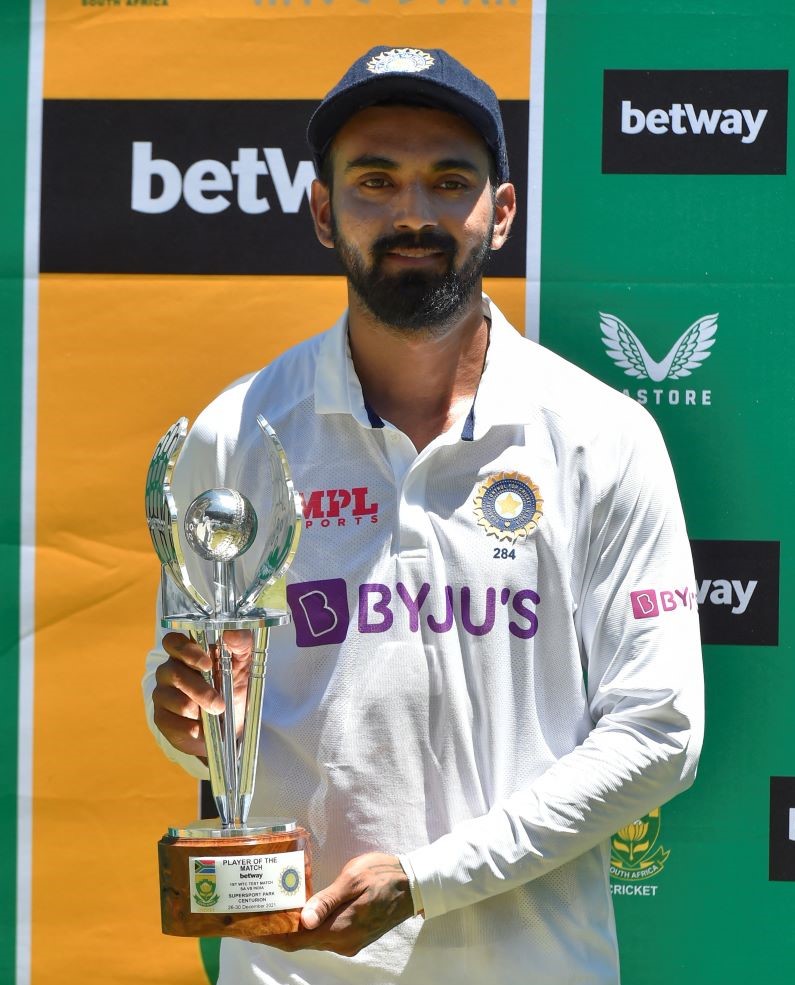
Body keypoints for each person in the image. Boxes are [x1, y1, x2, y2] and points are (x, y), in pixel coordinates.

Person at [143, 45, 703, 985]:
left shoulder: (601, 434)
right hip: (292, 970)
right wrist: (182, 715)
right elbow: (193, 704)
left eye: (449, 180)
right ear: (323, 212)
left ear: (502, 210)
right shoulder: (235, 432)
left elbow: (659, 729)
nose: (412, 213)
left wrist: (425, 880)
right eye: (374, 181)